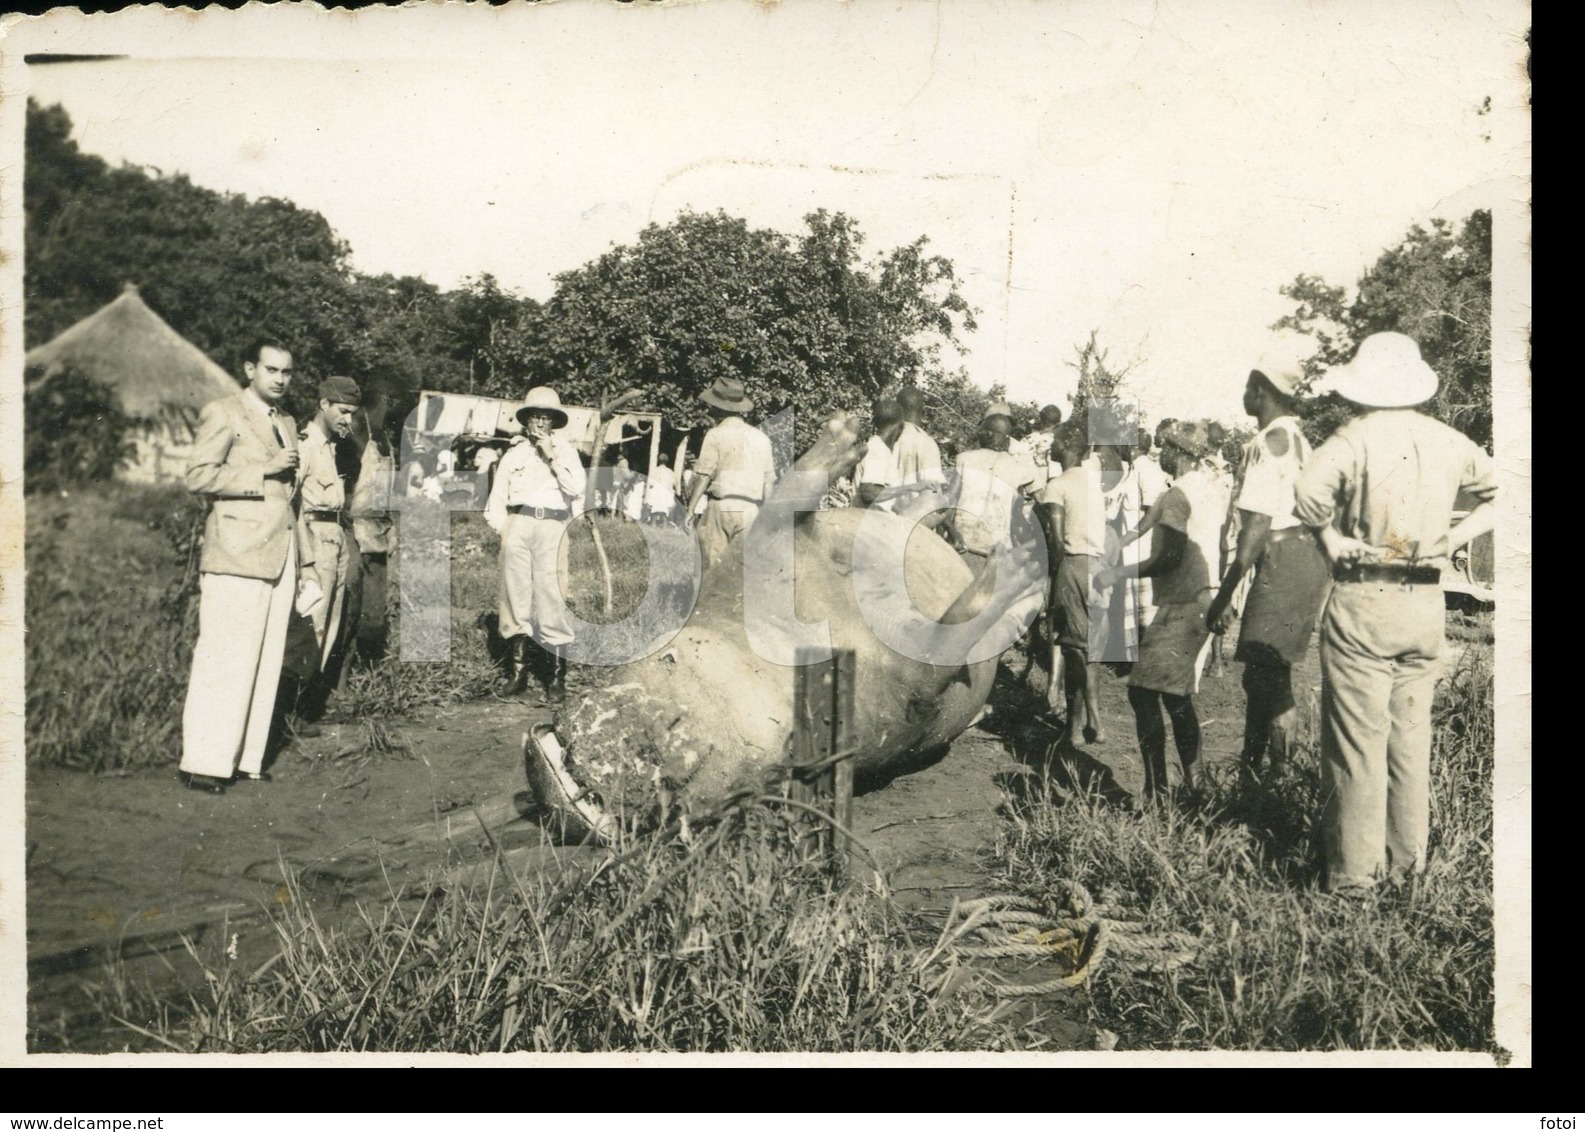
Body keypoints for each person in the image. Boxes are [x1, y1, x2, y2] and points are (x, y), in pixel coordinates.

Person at [1292, 332, 1496, 895]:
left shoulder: (1353, 439)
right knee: (1410, 740)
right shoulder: (1449, 439)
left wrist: (1331, 540)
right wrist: (1455, 535)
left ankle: (1355, 882)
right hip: (1425, 601)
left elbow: (1307, 495)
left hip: (1365, 596)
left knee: (1358, 743)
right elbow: (1507, 491)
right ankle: (1409, 873)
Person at [177, 337, 301, 794]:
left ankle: (245, 759)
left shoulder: (286, 420)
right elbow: (198, 476)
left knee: (265, 660)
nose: (281, 380)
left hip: (278, 553)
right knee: (224, 658)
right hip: (235, 552)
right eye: (272, 370)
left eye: (287, 372)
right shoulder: (224, 411)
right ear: (250, 369)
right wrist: (264, 470)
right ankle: (204, 763)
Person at [1205, 340, 1332, 778]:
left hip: (1284, 558)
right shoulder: (1298, 438)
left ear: (1260, 390)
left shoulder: (1267, 443)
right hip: (1304, 558)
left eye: (1248, 386)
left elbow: (1255, 529)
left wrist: (1222, 599)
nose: (1244, 395)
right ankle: (1252, 769)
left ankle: (1280, 775)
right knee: (1260, 673)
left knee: (1270, 675)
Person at [1100, 422, 1229, 802]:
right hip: (1201, 598)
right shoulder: (1200, 490)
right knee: (1174, 696)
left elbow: (1169, 556)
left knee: (1144, 693)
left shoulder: (1179, 495)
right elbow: (1147, 521)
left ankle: (1160, 788)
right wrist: (1118, 541)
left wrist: (1118, 572)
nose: (1160, 454)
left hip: (1183, 602)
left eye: (1166, 449)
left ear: (1180, 453)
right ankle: (1193, 785)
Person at [484, 386, 588, 704]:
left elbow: (577, 486)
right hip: (518, 523)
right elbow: (496, 499)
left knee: (552, 594)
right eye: (535, 417)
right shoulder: (513, 454)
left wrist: (551, 455)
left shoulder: (566, 451)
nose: (540, 423)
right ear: (526, 420)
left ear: (554, 421)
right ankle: (517, 674)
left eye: (547, 418)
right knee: (514, 597)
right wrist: (505, 528)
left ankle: (555, 678)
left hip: (553, 525)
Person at [289, 376, 363, 726]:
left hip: (335, 534)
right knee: (311, 625)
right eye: (343, 411)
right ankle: (290, 710)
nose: (348, 420)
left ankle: (307, 707)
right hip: (314, 537)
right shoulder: (305, 444)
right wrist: (305, 557)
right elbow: (292, 503)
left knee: (330, 625)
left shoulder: (334, 446)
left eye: (352, 413)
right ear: (323, 405)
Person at [1039, 422, 1109, 748]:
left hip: (1073, 564)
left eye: (1054, 441)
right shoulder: (1094, 481)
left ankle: (1091, 716)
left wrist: (1053, 578)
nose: (1050, 445)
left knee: (1071, 647)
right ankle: (1074, 728)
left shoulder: (1058, 484)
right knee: (1087, 648)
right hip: (1099, 566)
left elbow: (1055, 539)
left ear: (1066, 445)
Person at [684, 376, 777, 570]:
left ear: (718, 407)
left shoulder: (716, 434)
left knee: (711, 567)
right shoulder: (762, 438)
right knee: (743, 571)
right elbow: (768, 483)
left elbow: (704, 474)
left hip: (721, 506)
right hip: (752, 509)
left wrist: (691, 509)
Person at [952, 403, 1039, 561]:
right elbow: (1033, 479)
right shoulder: (1016, 463)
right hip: (996, 545)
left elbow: (951, 498)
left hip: (964, 541)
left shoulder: (964, 458)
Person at [856, 397, 904, 509]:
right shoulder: (877, 449)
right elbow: (868, 492)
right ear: (900, 427)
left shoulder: (880, 448)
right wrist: (911, 488)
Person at [646, 452, 678, 524]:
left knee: (654, 510)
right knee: (665, 511)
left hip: (656, 492)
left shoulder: (654, 470)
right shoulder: (670, 472)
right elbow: (674, 483)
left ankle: (653, 524)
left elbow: (650, 483)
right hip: (666, 493)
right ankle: (664, 526)